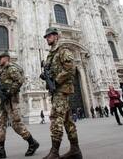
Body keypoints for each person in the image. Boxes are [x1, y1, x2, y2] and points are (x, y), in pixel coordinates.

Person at [40, 27, 82, 159]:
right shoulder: (51, 54)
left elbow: (70, 69)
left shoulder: (63, 50)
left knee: (56, 117)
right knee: (68, 121)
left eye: (50, 36)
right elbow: (53, 70)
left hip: (62, 90)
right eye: (46, 37)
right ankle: (75, 150)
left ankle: (54, 152)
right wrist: (45, 76)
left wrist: (56, 81)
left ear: (56, 36)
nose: (47, 38)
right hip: (56, 90)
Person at [0, 52, 39, 158]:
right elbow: (4, 84)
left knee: (16, 124)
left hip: (11, 100)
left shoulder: (11, 68)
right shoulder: (3, 71)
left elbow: (19, 80)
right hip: (3, 102)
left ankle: (32, 143)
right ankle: (0, 149)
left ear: (6, 58)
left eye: (0, 59)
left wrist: (10, 92)